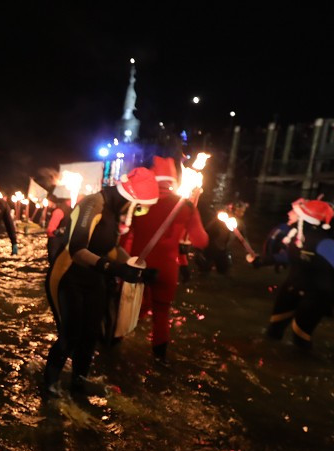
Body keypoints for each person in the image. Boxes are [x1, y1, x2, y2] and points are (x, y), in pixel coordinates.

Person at [43, 168, 159, 396]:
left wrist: (137, 269)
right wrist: (115, 269)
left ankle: (78, 385)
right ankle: (48, 387)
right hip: (69, 276)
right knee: (70, 335)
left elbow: (110, 248)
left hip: (94, 279)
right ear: (130, 198)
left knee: (90, 337)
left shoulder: (114, 212)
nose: (138, 213)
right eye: (140, 207)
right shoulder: (92, 204)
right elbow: (77, 249)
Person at [124, 157, 209, 360]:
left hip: (139, 265)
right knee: (161, 314)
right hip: (167, 269)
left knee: (129, 309)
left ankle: (117, 348)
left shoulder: (138, 203)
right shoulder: (186, 207)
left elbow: (125, 236)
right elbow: (201, 242)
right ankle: (159, 360)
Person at [255, 198, 334, 349]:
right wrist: (264, 260)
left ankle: (301, 368)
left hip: (316, 294)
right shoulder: (297, 235)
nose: (291, 213)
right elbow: (289, 256)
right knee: (273, 330)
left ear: (306, 219)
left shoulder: (325, 243)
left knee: (300, 336)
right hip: (292, 286)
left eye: (297, 212)